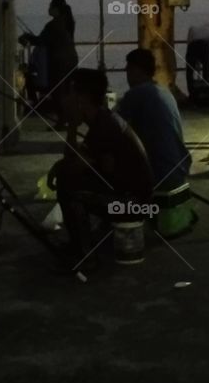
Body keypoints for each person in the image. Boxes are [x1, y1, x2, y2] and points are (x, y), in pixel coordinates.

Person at [49, 68, 154, 264]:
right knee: (67, 174)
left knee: (68, 185)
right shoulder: (104, 118)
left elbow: (71, 169)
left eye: (68, 94)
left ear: (82, 98)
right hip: (136, 200)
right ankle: (84, 243)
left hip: (133, 206)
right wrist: (60, 164)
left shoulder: (103, 127)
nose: (64, 101)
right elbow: (78, 160)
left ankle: (84, 255)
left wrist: (71, 126)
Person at [117, 48, 192, 190]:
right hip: (179, 170)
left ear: (137, 70)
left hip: (159, 174)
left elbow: (112, 125)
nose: (127, 75)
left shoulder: (137, 93)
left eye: (128, 70)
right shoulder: (164, 91)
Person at [20, 0, 77, 123]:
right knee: (66, 91)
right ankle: (68, 118)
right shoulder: (68, 21)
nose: (48, 8)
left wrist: (27, 36)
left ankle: (62, 121)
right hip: (71, 59)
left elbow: (40, 41)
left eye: (50, 6)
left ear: (56, 9)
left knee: (57, 91)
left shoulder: (52, 25)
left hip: (59, 62)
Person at [184, 19, 209, 103]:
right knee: (206, 69)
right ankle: (205, 92)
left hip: (192, 46)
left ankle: (192, 94)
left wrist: (192, 59)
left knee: (189, 72)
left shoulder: (193, 28)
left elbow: (188, 42)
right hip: (204, 46)